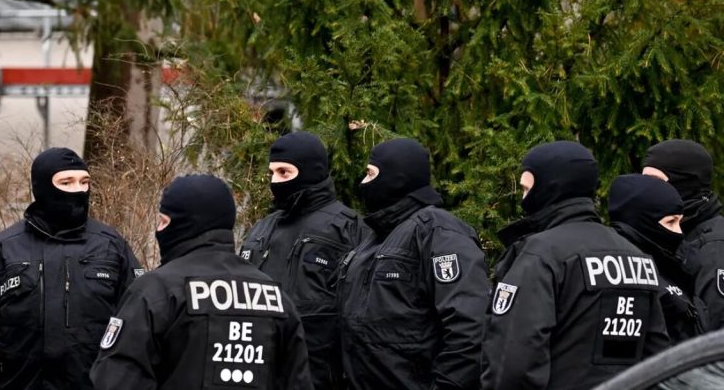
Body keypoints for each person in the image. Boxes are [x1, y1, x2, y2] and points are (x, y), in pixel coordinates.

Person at [90, 174, 313, 389]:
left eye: (163, 221)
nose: (159, 229)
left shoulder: (156, 291)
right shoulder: (276, 298)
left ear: (184, 224)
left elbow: (117, 379)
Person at [482, 141, 669, 390]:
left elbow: (514, 362)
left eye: (527, 189)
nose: (523, 199)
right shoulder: (636, 257)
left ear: (550, 187)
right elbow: (658, 360)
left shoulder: (541, 254)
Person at [0, 147, 142, 390]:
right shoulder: (5, 249)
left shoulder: (111, 246)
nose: (79, 190)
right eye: (66, 182)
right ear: (42, 187)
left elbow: (139, 328)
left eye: (84, 182)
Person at [337, 138, 489, 389]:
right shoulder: (375, 236)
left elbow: (470, 327)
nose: (362, 183)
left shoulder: (439, 232)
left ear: (397, 179)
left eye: (370, 174)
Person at [238, 131, 366, 389]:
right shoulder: (262, 228)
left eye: (284, 172)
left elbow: (361, 314)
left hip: (318, 374)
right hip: (257, 370)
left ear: (309, 171)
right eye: (271, 173)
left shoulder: (347, 228)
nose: (275, 181)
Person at [608, 174, 707, 344]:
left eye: (679, 222)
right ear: (641, 221)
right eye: (670, 222)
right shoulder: (628, 277)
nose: (678, 232)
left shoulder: (679, 263)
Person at [643, 139, 724, 330]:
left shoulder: (714, 248)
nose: (645, 190)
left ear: (685, 184)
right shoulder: (664, 235)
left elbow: (716, 330)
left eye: (655, 182)